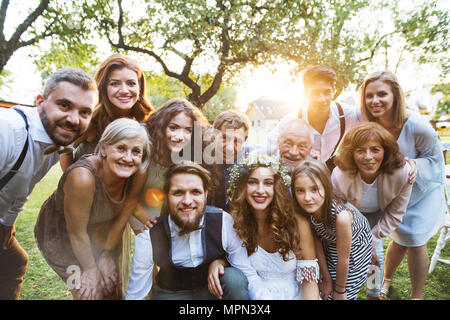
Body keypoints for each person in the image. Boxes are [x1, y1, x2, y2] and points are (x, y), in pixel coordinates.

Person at [0, 68, 97, 300]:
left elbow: (24, 187)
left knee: (14, 261)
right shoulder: (7, 130)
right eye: (64, 105)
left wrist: (7, 224)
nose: (74, 119)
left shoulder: (57, 143)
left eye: (84, 112)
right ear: (41, 102)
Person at [34, 118, 151, 300]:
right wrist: (90, 268)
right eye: (120, 148)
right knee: (90, 293)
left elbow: (125, 212)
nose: (128, 158)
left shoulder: (139, 173)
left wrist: (105, 253)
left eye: (136, 151)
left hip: (102, 228)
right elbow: (76, 233)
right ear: (103, 148)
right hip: (65, 234)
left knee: (111, 286)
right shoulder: (82, 178)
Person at [125, 161, 272, 300]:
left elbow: (247, 271)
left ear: (206, 194)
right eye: (178, 193)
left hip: (212, 291)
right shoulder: (148, 238)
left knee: (234, 279)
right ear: (167, 196)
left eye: (195, 192)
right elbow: (134, 295)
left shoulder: (223, 222)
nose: (187, 201)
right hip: (171, 294)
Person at [359, 70, 446, 300]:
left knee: (415, 240)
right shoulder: (368, 124)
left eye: (381, 94)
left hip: (421, 191)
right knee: (382, 240)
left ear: (395, 95)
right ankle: (378, 286)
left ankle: (416, 296)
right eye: (369, 96)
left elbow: (436, 162)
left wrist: (414, 164)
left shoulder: (418, 126)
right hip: (388, 193)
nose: (374, 101)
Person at [208, 155, 319, 300]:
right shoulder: (234, 223)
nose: (260, 190)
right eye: (252, 182)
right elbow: (234, 259)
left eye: (268, 183)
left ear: (276, 187)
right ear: (242, 187)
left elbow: (309, 282)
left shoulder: (297, 223)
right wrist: (218, 262)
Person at [332, 121, 414, 299]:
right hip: (349, 217)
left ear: (385, 151)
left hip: (379, 216)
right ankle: (342, 290)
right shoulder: (339, 174)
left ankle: (373, 293)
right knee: (345, 255)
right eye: (360, 151)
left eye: (375, 150)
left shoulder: (402, 173)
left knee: (375, 258)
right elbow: (338, 209)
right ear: (352, 154)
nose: (368, 157)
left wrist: (371, 242)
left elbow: (396, 214)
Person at [292, 160, 373, 300]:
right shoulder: (305, 210)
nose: (307, 198)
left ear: (326, 187)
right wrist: (326, 279)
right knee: (323, 289)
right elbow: (316, 241)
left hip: (354, 250)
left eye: (314, 189)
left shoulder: (341, 217)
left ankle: (370, 291)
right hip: (330, 242)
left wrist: (340, 291)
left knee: (337, 295)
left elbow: (344, 259)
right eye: (300, 190)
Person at [60, 53, 154, 170]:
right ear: (103, 88)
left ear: (139, 87)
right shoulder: (91, 121)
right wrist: (73, 180)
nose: (124, 90)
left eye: (131, 83)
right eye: (114, 83)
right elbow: (64, 149)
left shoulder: (145, 123)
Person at [131, 98, 209, 233]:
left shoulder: (189, 156)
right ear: (161, 126)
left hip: (169, 222)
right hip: (139, 217)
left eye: (188, 130)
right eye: (173, 128)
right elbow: (126, 196)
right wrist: (147, 221)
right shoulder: (144, 149)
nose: (180, 136)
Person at [265, 65, 361, 168]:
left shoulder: (347, 114)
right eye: (315, 93)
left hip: (328, 168)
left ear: (333, 91)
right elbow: (267, 148)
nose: (322, 99)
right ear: (305, 93)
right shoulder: (292, 120)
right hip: (300, 172)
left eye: (327, 92)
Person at [208, 109, 252, 211]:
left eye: (237, 141)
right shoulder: (201, 164)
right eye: (224, 138)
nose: (229, 148)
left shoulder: (248, 171)